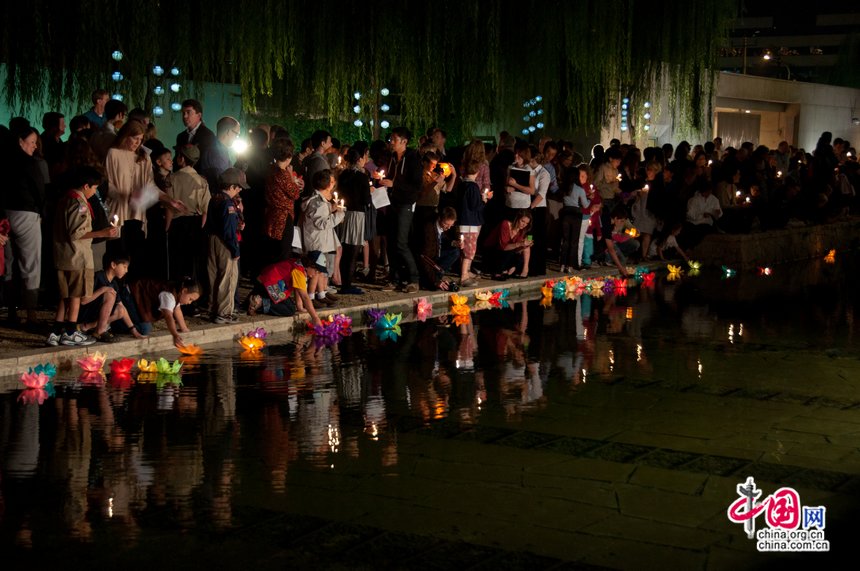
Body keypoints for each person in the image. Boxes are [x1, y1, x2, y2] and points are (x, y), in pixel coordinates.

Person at [47, 166, 118, 346]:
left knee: (66, 295)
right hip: (76, 256)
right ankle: (70, 332)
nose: (94, 193)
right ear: (86, 186)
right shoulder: (78, 203)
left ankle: (56, 331)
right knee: (76, 295)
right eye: (94, 188)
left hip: (64, 255)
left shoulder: (64, 199)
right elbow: (77, 233)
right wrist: (102, 233)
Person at [4, 125, 47, 326]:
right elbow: (39, 190)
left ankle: (12, 310)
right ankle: (31, 313)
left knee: (9, 263)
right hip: (27, 213)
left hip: (5, 215)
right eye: (31, 142)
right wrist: (43, 212)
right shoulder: (30, 163)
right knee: (30, 264)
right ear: (20, 142)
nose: (34, 146)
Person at [377, 127, 422, 293]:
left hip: (406, 203)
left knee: (401, 242)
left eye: (394, 140)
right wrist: (381, 180)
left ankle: (414, 278)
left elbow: (416, 185)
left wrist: (394, 184)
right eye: (391, 139)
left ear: (404, 141)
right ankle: (394, 278)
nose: (391, 142)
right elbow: (389, 177)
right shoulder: (391, 158)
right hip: (391, 201)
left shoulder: (413, 159)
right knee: (390, 241)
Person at [205, 167, 247, 324]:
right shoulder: (228, 203)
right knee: (227, 277)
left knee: (213, 276)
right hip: (225, 243)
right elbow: (228, 230)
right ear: (231, 186)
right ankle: (224, 313)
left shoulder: (214, 198)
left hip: (212, 240)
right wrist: (235, 249)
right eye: (238, 187)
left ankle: (213, 309)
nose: (240, 189)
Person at [76, 252, 147, 342]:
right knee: (110, 295)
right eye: (124, 267)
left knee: (120, 310)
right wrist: (103, 289)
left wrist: (134, 331)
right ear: (113, 265)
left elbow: (122, 308)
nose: (126, 271)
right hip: (84, 313)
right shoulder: (98, 276)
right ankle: (100, 331)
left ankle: (87, 327)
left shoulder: (114, 284)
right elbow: (83, 301)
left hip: (93, 318)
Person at [166, 144, 210, 287]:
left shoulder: (172, 178)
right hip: (195, 222)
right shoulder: (202, 181)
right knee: (192, 263)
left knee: (176, 261)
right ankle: (192, 299)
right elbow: (205, 210)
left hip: (178, 223)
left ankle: (177, 294)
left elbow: (169, 207)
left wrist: (167, 227)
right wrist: (200, 228)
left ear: (181, 158)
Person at [301, 169, 345, 308]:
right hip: (316, 242)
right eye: (331, 182)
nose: (333, 184)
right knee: (316, 271)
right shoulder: (318, 203)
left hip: (318, 241)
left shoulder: (318, 201)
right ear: (327, 185)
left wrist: (331, 210)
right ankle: (311, 296)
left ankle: (321, 294)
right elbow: (322, 223)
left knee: (321, 270)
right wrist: (339, 215)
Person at [336, 146, 372, 295]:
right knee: (353, 252)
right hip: (357, 215)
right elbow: (365, 199)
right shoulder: (362, 177)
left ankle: (345, 283)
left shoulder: (343, 174)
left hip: (344, 213)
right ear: (359, 160)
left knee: (345, 250)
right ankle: (347, 285)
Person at [247, 256, 322, 326]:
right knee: (289, 309)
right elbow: (305, 297)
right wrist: (315, 318)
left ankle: (255, 299)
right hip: (269, 283)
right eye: (316, 271)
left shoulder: (298, 264)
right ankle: (261, 303)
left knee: (288, 303)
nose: (315, 274)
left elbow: (298, 289)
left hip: (264, 280)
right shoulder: (298, 272)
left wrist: (300, 307)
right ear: (310, 266)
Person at [263, 138, 303, 264]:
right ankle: (275, 281)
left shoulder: (270, 170)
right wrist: (292, 177)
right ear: (289, 156)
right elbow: (295, 194)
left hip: (271, 215)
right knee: (282, 253)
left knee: (272, 250)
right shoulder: (283, 174)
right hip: (284, 217)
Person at [129, 276, 200, 346]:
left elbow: (177, 309)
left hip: (140, 301)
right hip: (131, 295)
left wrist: (184, 329)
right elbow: (168, 316)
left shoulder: (177, 293)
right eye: (190, 299)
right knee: (144, 329)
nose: (189, 303)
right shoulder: (168, 295)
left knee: (145, 327)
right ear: (184, 291)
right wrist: (175, 335)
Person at [458, 160, 490, 287]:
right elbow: (475, 205)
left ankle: (464, 271)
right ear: (477, 172)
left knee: (463, 248)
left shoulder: (461, 185)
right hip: (470, 223)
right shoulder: (473, 187)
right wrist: (484, 199)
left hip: (461, 221)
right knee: (470, 250)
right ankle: (464, 276)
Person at [418, 207, 462, 291]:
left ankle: (438, 277)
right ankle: (429, 280)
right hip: (427, 259)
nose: (448, 227)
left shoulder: (443, 227)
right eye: (446, 224)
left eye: (451, 225)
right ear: (440, 218)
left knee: (455, 252)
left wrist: (454, 243)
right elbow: (425, 258)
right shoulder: (429, 230)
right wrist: (435, 281)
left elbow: (443, 239)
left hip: (436, 255)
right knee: (433, 284)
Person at [482, 209, 533, 280]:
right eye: (522, 221)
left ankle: (525, 270)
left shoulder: (522, 230)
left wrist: (524, 246)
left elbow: (517, 250)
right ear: (517, 218)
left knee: (525, 249)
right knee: (511, 250)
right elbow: (503, 247)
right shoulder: (505, 224)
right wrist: (520, 244)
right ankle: (502, 270)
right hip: (492, 251)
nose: (524, 225)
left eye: (527, 223)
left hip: (506, 253)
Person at [559, 164, 590, 273]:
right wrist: (589, 198)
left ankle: (562, 264)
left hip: (566, 213)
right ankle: (570, 266)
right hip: (576, 214)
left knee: (565, 240)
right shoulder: (579, 189)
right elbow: (585, 205)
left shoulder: (564, 187)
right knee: (574, 241)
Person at [199, 116, 241, 191]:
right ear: (228, 131)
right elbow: (223, 182)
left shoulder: (219, 149)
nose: (236, 137)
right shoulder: (216, 152)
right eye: (237, 134)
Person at [599, 206, 638, 277]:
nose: (622, 223)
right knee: (621, 259)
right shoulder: (607, 225)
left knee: (622, 258)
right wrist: (621, 268)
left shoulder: (612, 224)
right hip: (601, 248)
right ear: (616, 218)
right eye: (621, 221)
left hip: (610, 245)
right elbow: (611, 249)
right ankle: (606, 260)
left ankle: (616, 260)